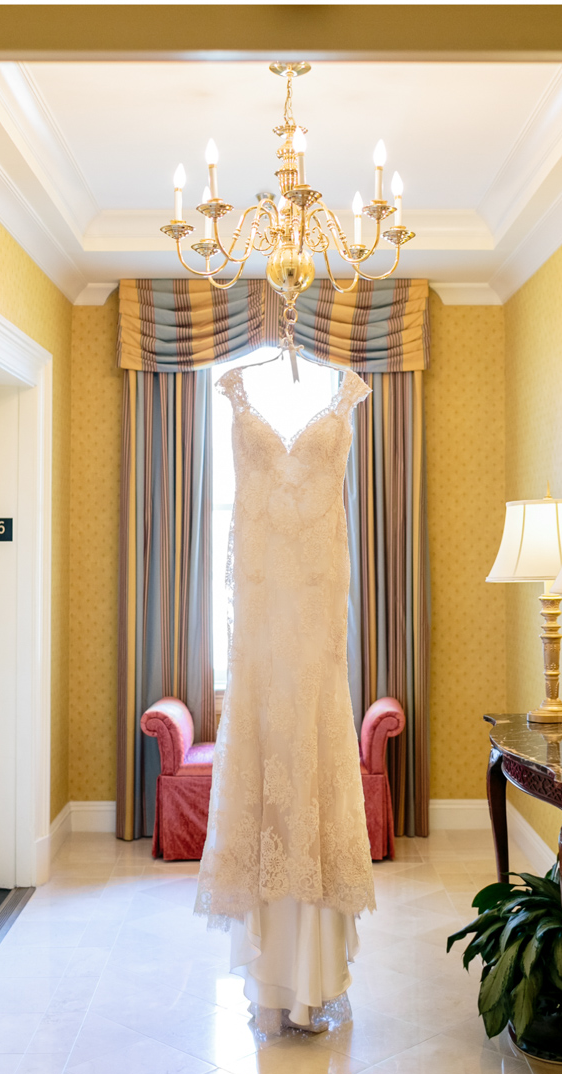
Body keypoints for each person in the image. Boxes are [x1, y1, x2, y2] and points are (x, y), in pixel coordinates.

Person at [195, 354, 377, 1033]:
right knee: (268, 794)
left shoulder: (348, 398)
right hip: (265, 635)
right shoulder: (236, 394)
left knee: (316, 790)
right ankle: (277, 978)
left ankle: (316, 976)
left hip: (317, 630)